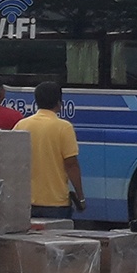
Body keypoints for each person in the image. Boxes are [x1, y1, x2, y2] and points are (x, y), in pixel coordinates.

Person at [15, 81, 85, 220]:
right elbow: (71, 165)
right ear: (59, 102)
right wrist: (80, 197)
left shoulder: (21, 125)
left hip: (27, 202)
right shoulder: (64, 127)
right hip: (56, 203)